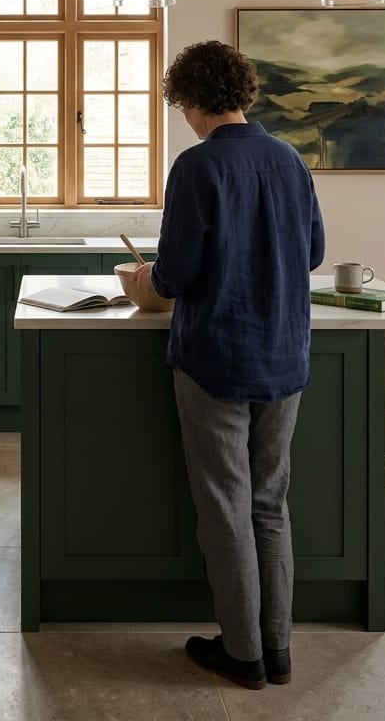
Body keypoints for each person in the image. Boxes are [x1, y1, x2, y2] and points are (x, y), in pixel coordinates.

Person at [124, 40, 325, 690]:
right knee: (270, 503)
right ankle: (278, 648)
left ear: (189, 101)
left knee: (226, 507)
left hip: (215, 358)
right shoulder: (291, 159)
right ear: (242, 93)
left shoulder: (195, 166)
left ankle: (242, 654)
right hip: (284, 354)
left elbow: (175, 276)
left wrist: (141, 280)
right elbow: (314, 251)